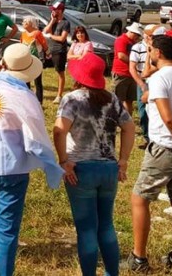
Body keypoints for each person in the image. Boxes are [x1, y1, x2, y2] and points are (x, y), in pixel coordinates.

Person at [0, 44, 63, 276]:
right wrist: (49, 162)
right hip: (11, 168)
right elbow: (35, 135)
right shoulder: (23, 96)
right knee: (6, 228)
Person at [123, 35, 172, 274]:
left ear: (157, 52)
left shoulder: (160, 78)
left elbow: (167, 117)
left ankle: (139, 259)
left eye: (150, 50)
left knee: (140, 199)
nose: (148, 54)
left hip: (166, 149)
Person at [53, 53, 135, 276]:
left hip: (81, 169)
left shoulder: (72, 99)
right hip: (108, 169)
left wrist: (63, 160)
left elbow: (59, 130)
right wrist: (124, 160)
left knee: (87, 228)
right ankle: (112, 273)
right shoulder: (111, 99)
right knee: (106, 225)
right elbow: (129, 127)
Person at [130, 24, 158, 150]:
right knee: (142, 112)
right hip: (144, 81)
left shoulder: (158, 48)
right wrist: (141, 84)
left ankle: (155, 139)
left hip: (156, 81)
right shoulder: (137, 47)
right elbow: (132, 68)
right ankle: (147, 137)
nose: (151, 38)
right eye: (149, 35)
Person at [113, 23, 143, 116]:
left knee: (129, 100)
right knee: (118, 100)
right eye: (137, 35)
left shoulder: (134, 42)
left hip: (131, 74)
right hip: (121, 73)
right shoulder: (121, 40)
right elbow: (121, 56)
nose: (137, 37)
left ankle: (128, 120)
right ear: (131, 32)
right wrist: (134, 63)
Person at [43, 1, 70, 103]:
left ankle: (59, 95)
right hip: (50, 49)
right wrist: (52, 21)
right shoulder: (53, 20)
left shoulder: (65, 23)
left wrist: (51, 36)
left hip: (59, 51)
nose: (53, 11)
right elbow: (45, 31)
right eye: (52, 10)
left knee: (60, 72)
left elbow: (62, 38)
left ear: (60, 10)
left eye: (55, 10)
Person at [20, 16, 49, 102]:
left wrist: (48, 55)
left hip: (37, 60)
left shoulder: (37, 33)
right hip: (26, 59)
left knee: (37, 81)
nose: (23, 23)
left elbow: (44, 45)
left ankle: (39, 101)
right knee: (26, 80)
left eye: (26, 22)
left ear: (32, 24)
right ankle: (27, 99)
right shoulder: (23, 33)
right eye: (23, 21)